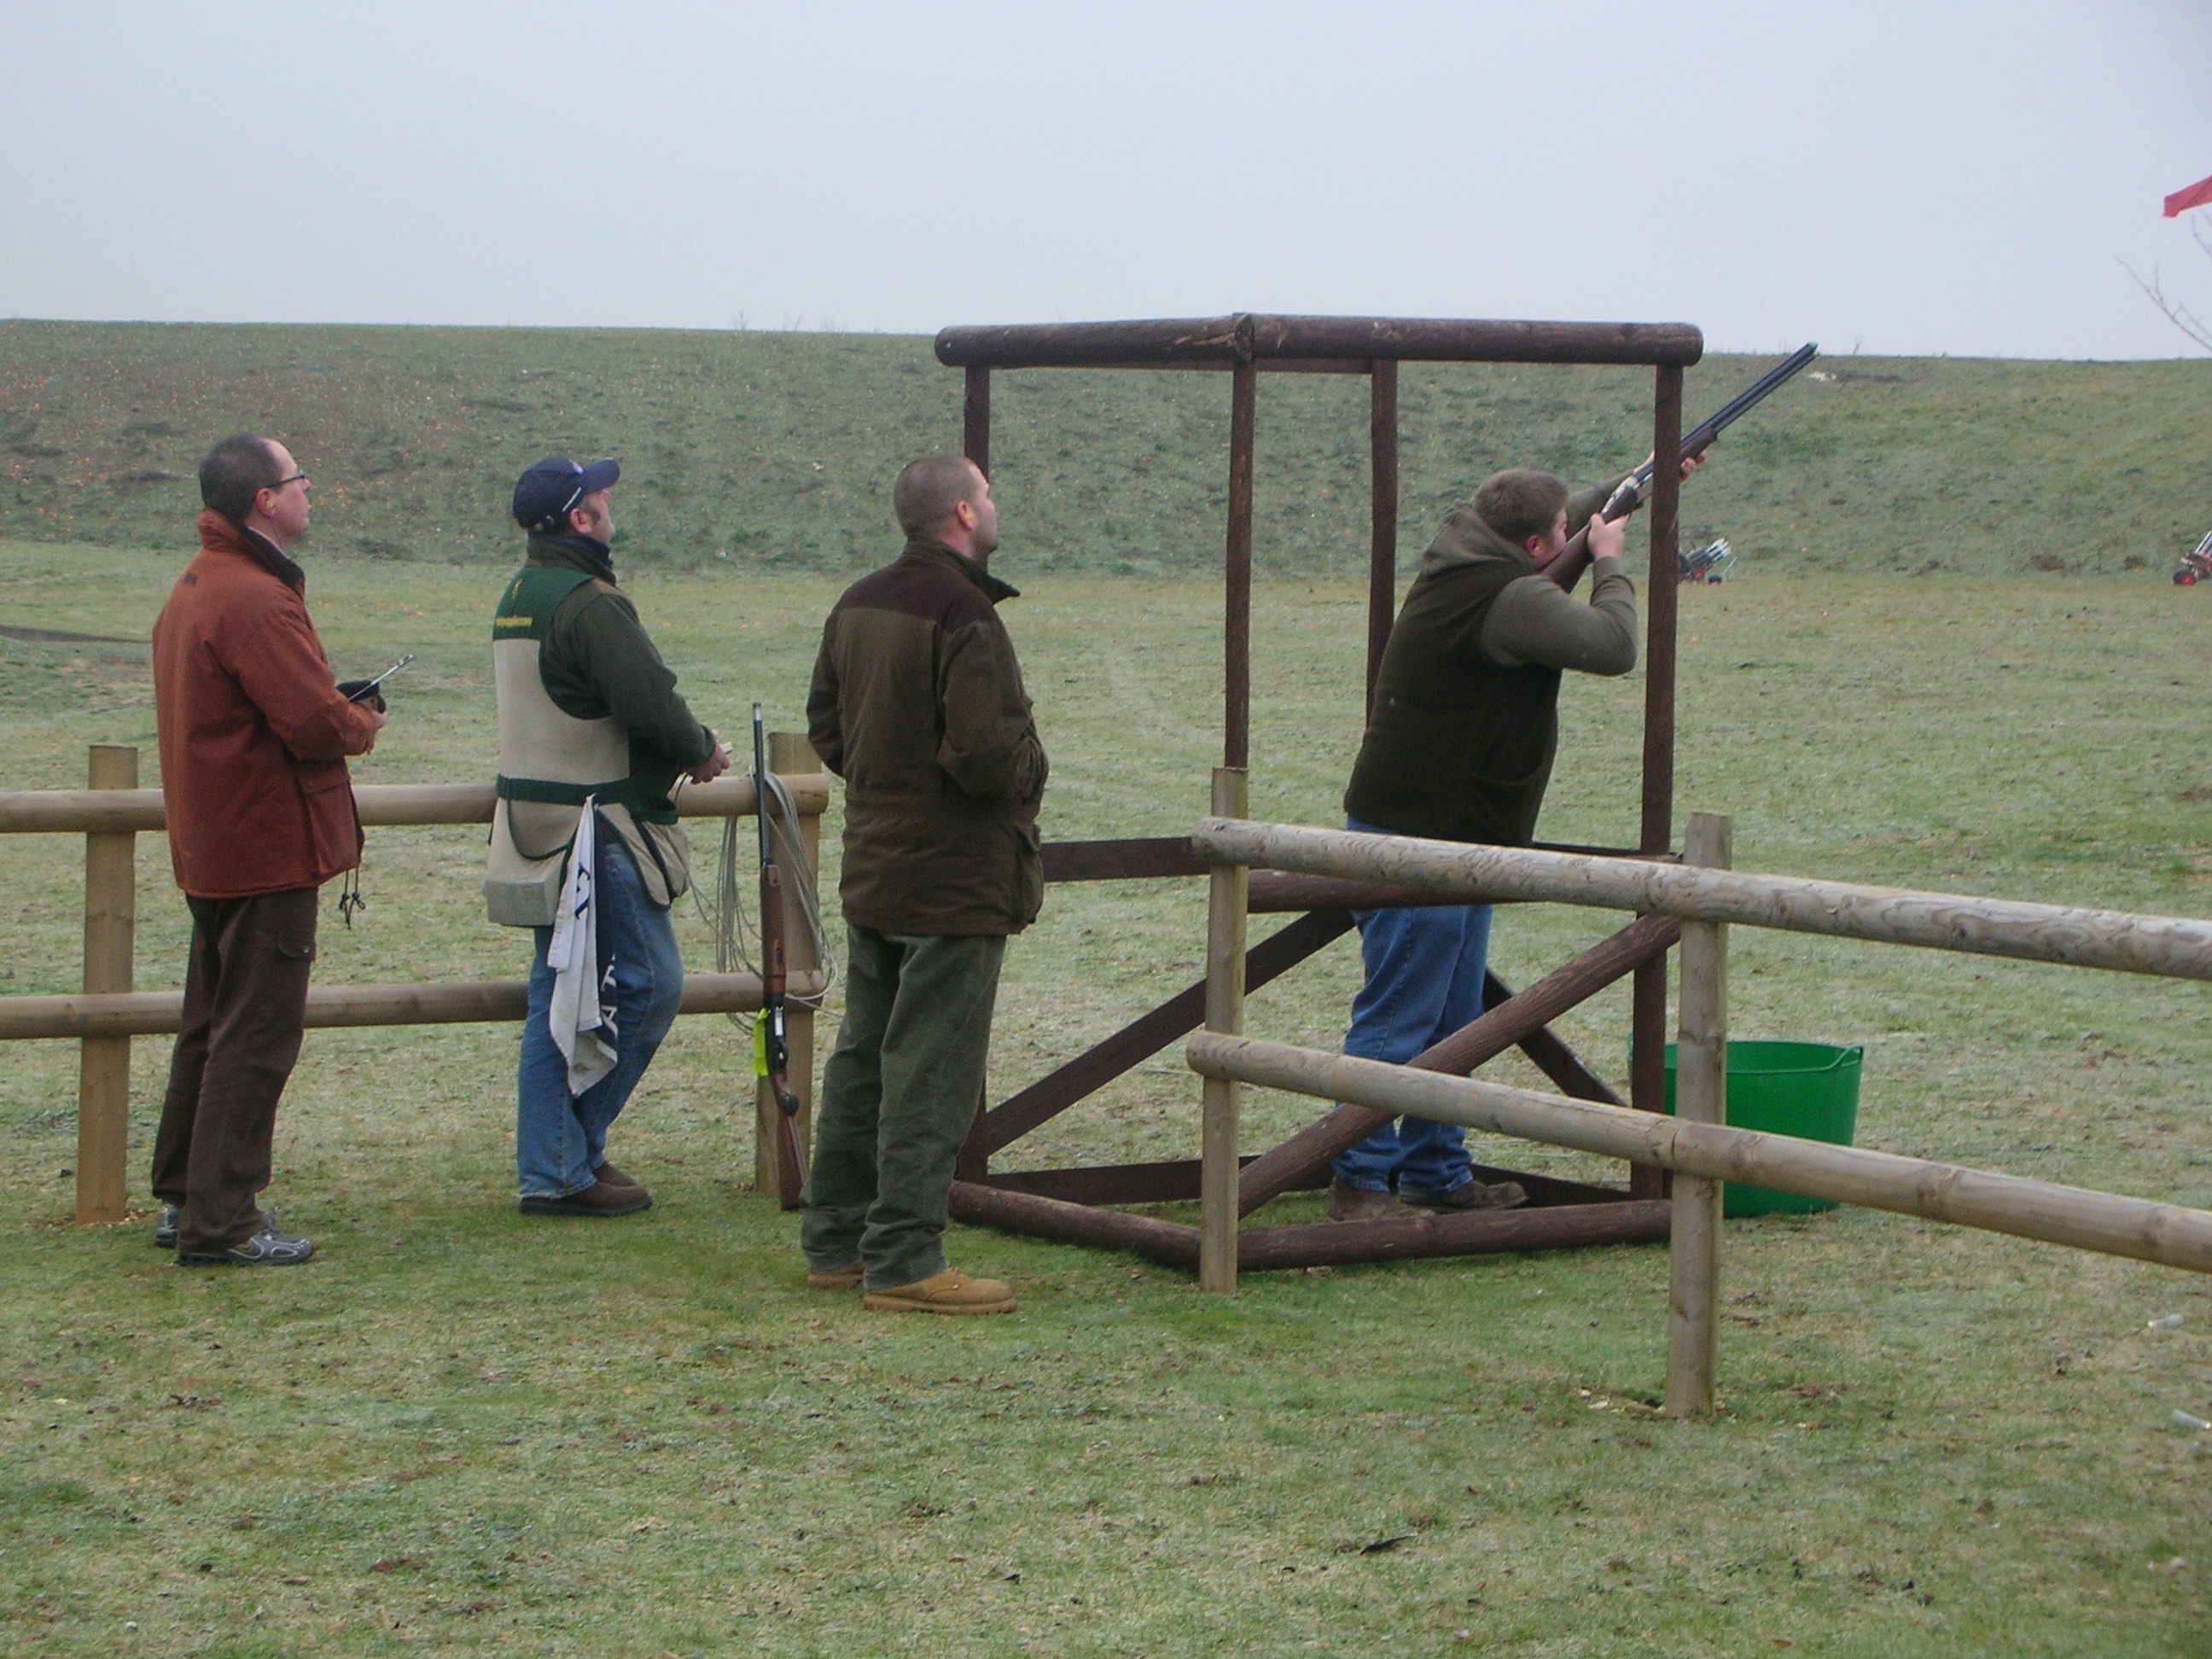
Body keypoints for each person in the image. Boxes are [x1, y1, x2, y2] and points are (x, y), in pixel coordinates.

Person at [1329, 459, 1692, 1220]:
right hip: (1422, 835)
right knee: (1401, 1017)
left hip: (1451, 830)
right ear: (1535, 547)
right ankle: (1359, 1184)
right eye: (1561, 535)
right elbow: (1615, 645)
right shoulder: (1512, 600)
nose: (1573, 537)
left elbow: (1569, 516)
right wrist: (1612, 563)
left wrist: (1646, 477)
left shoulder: (1467, 549)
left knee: (1457, 1017)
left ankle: (1436, 1173)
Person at [801, 454, 1047, 1314]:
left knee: (864, 1058)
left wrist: (885, 780)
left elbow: (827, 724)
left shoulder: (859, 600)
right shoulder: (963, 610)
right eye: (987, 491)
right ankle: (905, 1257)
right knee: (929, 1069)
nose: (994, 502)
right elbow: (985, 754)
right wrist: (1031, 768)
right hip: (952, 880)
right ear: (959, 515)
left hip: (876, 867)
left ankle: (836, 1242)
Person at [149, 433, 386, 1265]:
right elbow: (316, 724)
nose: (308, 492)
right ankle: (226, 1221)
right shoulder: (254, 598)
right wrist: (363, 720)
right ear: (264, 500)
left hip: (218, 845)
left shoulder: (199, 584)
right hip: (264, 847)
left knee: (211, 1025)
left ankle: (188, 1197)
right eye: (299, 480)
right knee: (255, 1032)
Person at [489, 457, 730, 1218]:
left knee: (556, 997)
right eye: (598, 498)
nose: (608, 504)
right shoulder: (591, 605)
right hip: (600, 829)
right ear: (580, 520)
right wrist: (701, 750)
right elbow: (649, 702)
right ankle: (565, 1159)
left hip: (537, 829)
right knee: (651, 987)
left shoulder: (519, 594)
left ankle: (558, 1164)